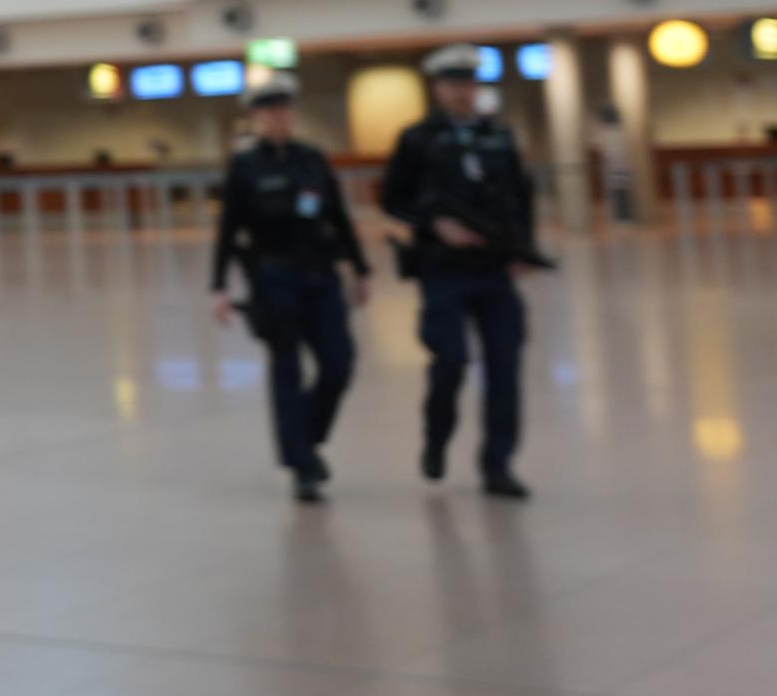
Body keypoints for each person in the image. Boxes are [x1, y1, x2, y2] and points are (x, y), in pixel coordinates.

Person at [377, 43, 552, 499]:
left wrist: (523, 249)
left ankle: (498, 464)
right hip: (444, 270)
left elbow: (520, 196)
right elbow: (392, 198)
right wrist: (434, 224)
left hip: (495, 271)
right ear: (437, 89)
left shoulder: (499, 136)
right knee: (450, 361)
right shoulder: (417, 139)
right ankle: (436, 438)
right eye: (454, 85)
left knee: (504, 368)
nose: (463, 93)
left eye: (469, 84)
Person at [211, 82, 366, 501]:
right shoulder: (244, 168)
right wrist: (219, 286)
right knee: (287, 369)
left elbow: (338, 216)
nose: (278, 117)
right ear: (255, 118)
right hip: (273, 280)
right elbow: (227, 231)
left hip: (320, 277)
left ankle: (305, 437)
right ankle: (301, 465)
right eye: (269, 111)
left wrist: (360, 267)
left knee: (339, 364)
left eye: (284, 110)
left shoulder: (312, 160)